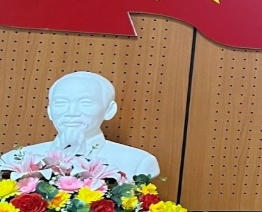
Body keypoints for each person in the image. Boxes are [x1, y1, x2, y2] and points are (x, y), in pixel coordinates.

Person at [1, 71, 160, 178]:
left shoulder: (139, 162)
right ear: (49, 110)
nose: (71, 112)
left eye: (85, 103)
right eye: (61, 103)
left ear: (109, 110)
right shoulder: (13, 160)